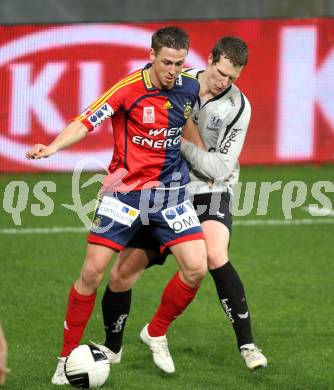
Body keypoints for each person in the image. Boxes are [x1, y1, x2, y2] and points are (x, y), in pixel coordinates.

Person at [26, 26, 208, 385]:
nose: (174, 70)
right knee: (92, 274)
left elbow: (185, 122)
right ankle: (65, 358)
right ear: (152, 56)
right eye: (168, 62)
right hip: (123, 193)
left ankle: (155, 332)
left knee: (197, 267)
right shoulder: (127, 89)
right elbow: (86, 121)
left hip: (169, 194)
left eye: (180, 63)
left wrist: (206, 161)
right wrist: (52, 147)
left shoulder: (189, 86)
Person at [98, 36, 267, 373]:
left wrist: (176, 143)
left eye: (232, 78)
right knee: (121, 274)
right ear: (209, 59)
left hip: (210, 190)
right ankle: (111, 348)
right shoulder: (179, 81)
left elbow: (219, 168)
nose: (224, 83)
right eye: (220, 73)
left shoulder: (238, 107)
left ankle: (247, 345)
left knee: (213, 255)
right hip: (164, 189)